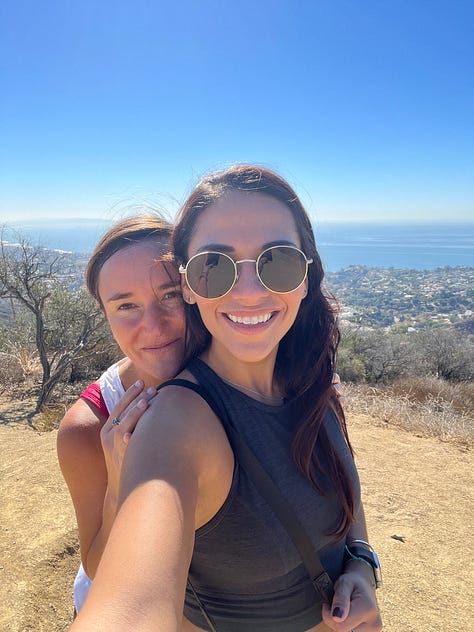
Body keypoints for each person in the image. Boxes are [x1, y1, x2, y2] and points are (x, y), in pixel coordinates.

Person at [70, 165, 382, 632]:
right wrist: (122, 484)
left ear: (307, 275)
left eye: (278, 261)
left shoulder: (311, 377)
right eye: (214, 267)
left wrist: (360, 561)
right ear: (194, 286)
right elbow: (130, 607)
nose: (251, 292)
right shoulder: (170, 425)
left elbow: (342, 492)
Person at [57, 214, 186, 612]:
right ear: (105, 314)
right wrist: (118, 481)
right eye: (126, 305)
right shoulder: (88, 427)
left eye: (170, 295)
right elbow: (95, 563)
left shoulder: (231, 374)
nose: (153, 326)